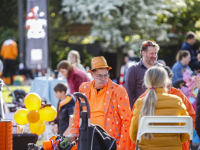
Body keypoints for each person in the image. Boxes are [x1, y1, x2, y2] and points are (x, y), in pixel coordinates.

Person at [69, 56, 131, 150]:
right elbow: (78, 111)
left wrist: (121, 146)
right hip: (88, 138)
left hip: (109, 140)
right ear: (92, 74)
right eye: (99, 75)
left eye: (106, 75)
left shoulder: (119, 91)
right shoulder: (84, 88)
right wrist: (74, 131)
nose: (103, 78)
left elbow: (127, 120)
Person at [128, 65, 195, 150]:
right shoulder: (177, 101)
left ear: (147, 84)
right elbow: (186, 133)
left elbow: (134, 136)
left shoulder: (140, 103)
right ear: (165, 84)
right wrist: (175, 141)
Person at [125, 40, 162, 109]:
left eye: (155, 53)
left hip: (160, 110)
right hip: (141, 111)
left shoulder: (162, 69)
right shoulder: (133, 70)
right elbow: (128, 94)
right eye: (151, 53)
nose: (154, 56)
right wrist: (133, 112)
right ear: (143, 53)